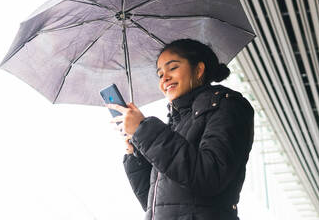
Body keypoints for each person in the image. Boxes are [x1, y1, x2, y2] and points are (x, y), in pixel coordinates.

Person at [107, 39, 254, 220]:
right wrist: (136, 151)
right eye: (160, 75)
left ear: (199, 70)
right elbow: (157, 203)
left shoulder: (226, 105)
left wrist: (144, 130)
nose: (165, 78)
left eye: (173, 68)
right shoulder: (175, 126)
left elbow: (210, 175)